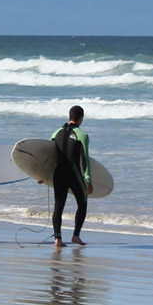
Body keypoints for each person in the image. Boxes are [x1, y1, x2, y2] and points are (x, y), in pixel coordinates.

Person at [50, 105, 93, 247]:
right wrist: (88, 180)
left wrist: (41, 175)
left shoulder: (56, 133)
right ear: (81, 118)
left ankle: (58, 239)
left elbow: (49, 156)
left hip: (58, 173)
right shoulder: (82, 135)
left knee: (58, 206)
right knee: (83, 202)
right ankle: (76, 236)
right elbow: (84, 160)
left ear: (70, 116)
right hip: (73, 173)